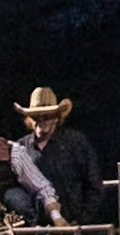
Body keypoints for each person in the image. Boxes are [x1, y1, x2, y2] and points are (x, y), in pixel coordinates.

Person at [15, 87, 104, 227]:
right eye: (35, 117)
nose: (41, 121)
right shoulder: (21, 148)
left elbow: (94, 185)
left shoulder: (75, 143)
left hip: (75, 228)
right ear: (29, 120)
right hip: (38, 232)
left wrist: (81, 221)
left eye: (46, 116)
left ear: (56, 118)